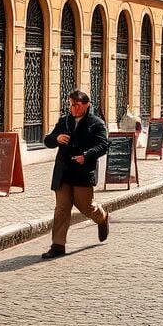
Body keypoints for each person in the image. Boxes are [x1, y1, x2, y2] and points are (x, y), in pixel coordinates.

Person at [40, 90, 110, 259]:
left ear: (86, 105)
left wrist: (86, 156)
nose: (74, 108)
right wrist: (56, 139)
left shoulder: (96, 123)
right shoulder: (64, 121)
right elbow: (48, 140)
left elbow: (103, 145)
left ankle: (102, 218)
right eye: (71, 105)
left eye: (77, 105)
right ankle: (58, 245)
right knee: (62, 208)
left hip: (82, 171)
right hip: (63, 171)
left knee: (86, 207)